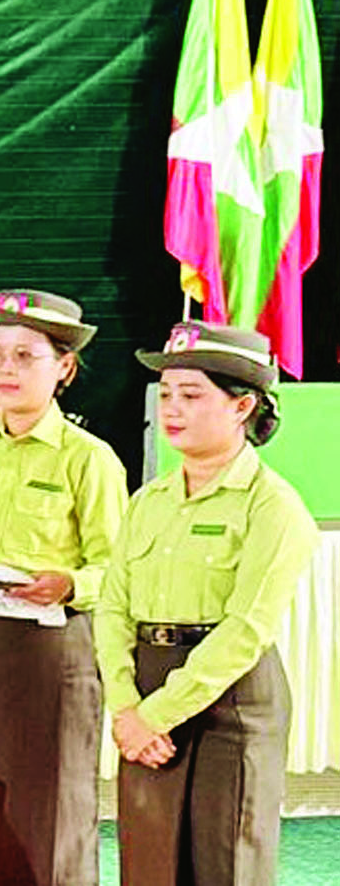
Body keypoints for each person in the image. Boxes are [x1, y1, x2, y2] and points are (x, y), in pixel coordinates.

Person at [94, 322, 318, 886]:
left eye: (192, 395)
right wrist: (125, 707)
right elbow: (113, 606)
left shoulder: (273, 507)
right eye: (167, 394)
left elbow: (246, 630)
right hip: (145, 691)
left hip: (232, 704)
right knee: (148, 865)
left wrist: (155, 716)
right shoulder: (149, 501)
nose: (173, 408)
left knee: (225, 864)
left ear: (242, 406)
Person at [0, 289, 127, 886]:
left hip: (51, 653)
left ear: (65, 368)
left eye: (24, 356)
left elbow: (117, 573)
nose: (3, 370)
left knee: (49, 816)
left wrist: (69, 583)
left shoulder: (89, 459)